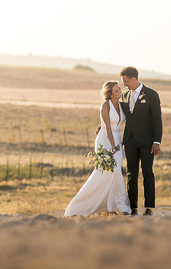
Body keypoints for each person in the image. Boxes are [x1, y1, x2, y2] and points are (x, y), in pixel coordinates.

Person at [64, 81, 131, 216]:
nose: (120, 92)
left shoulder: (122, 104)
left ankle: (113, 207)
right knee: (105, 172)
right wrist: (112, 145)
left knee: (116, 171)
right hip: (105, 141)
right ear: (110, 93)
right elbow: (106, 127)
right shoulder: (105, 106)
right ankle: (80, 207)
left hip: (118, 139)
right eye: (116, 90)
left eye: (119, 89)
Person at [119, 66, 163, 216]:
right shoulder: (124, 97)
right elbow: (117, 116)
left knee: (147, 172)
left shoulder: (151, 95)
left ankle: (149, 207)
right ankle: (133, 208)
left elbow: (157, 120)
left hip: (147, 141)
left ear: (133, 79)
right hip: (130, 140)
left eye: (126, 82)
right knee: (131, 173)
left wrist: (157, 141)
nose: (124, 85)